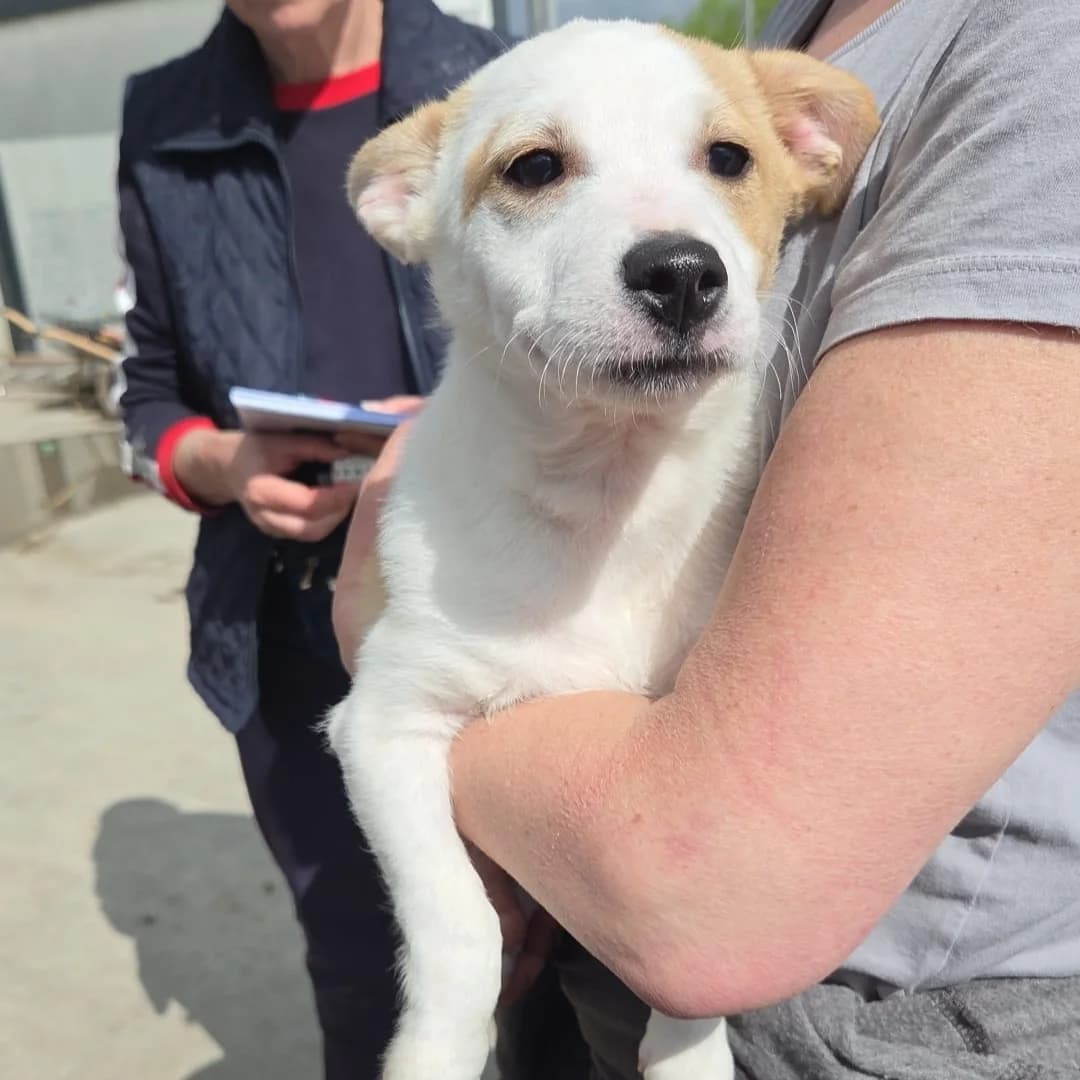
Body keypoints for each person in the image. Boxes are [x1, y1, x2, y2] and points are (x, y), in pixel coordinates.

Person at [333, 0, 1080, 1077]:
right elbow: (386, 728)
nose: (673, 251)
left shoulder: (1034, 54)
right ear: (408, 206)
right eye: (540, 171)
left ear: (803, 159)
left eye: (724, 158)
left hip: (924, 1015)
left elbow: (714, 891)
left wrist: (686, 1025)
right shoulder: (794, 21)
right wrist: (452, 1004)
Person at [116, 1, 508, 1075]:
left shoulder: (500, 85)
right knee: (357, 964)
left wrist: (474, 428)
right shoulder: (164, 117)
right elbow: (145, 385)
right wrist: (225, 464)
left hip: (497, 611)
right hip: (284, 633)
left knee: (540, 977)